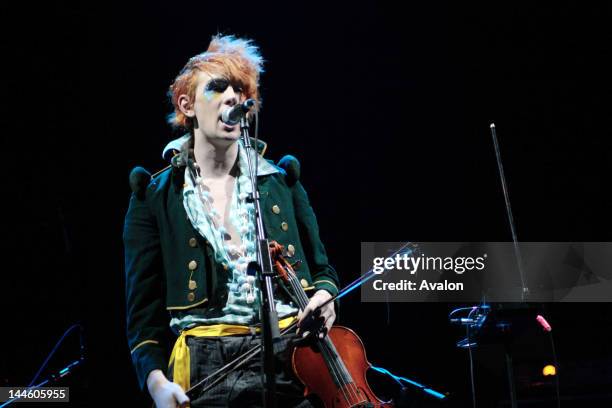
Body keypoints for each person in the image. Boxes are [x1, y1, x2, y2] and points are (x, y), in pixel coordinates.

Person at [123, 34, 340, 408]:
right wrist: (157, 383)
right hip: (208, 362)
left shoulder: (280, 180)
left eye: (239, 89)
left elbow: (322, 271)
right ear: (186, 104)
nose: (233, 97)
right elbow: (143, 320)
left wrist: (325, 297)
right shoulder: (153, 197)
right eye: (217, 87)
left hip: (295, 355)